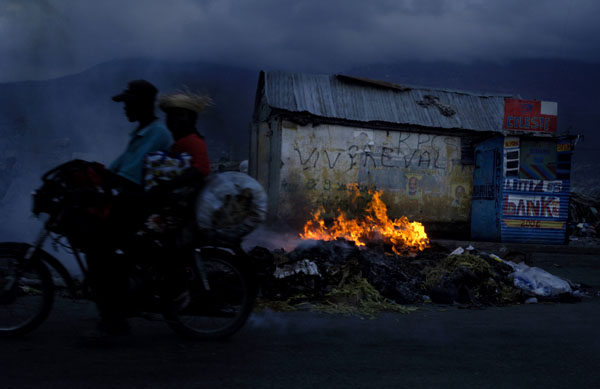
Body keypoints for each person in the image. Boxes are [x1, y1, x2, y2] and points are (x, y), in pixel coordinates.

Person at [85, 80, 172, 340]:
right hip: (132, 202)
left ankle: (115, 321)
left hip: (141, 207)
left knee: (105, 253)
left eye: (128, 103)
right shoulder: (140, 133)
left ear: (143, 104)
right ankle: (112, 310)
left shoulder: (156, 133)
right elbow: (114, 169)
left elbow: (130, 175)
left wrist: (106, 184)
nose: (124, 109)